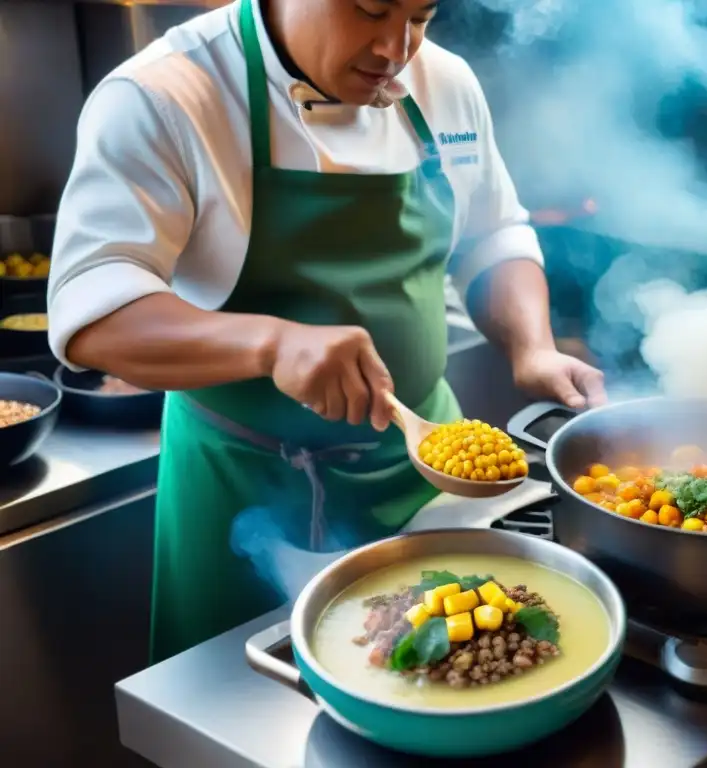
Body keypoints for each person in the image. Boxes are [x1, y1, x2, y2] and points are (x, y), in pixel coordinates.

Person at [47, 0, 606, 663]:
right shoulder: (165, 96)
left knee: (447, 683)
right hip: (243, 495)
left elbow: (492, 235)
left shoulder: (444, 82)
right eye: (371, 10)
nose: (397, 47)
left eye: (421, 16)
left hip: (425, 477)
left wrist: (532, 346)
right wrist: (273, 344)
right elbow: (91, 311)